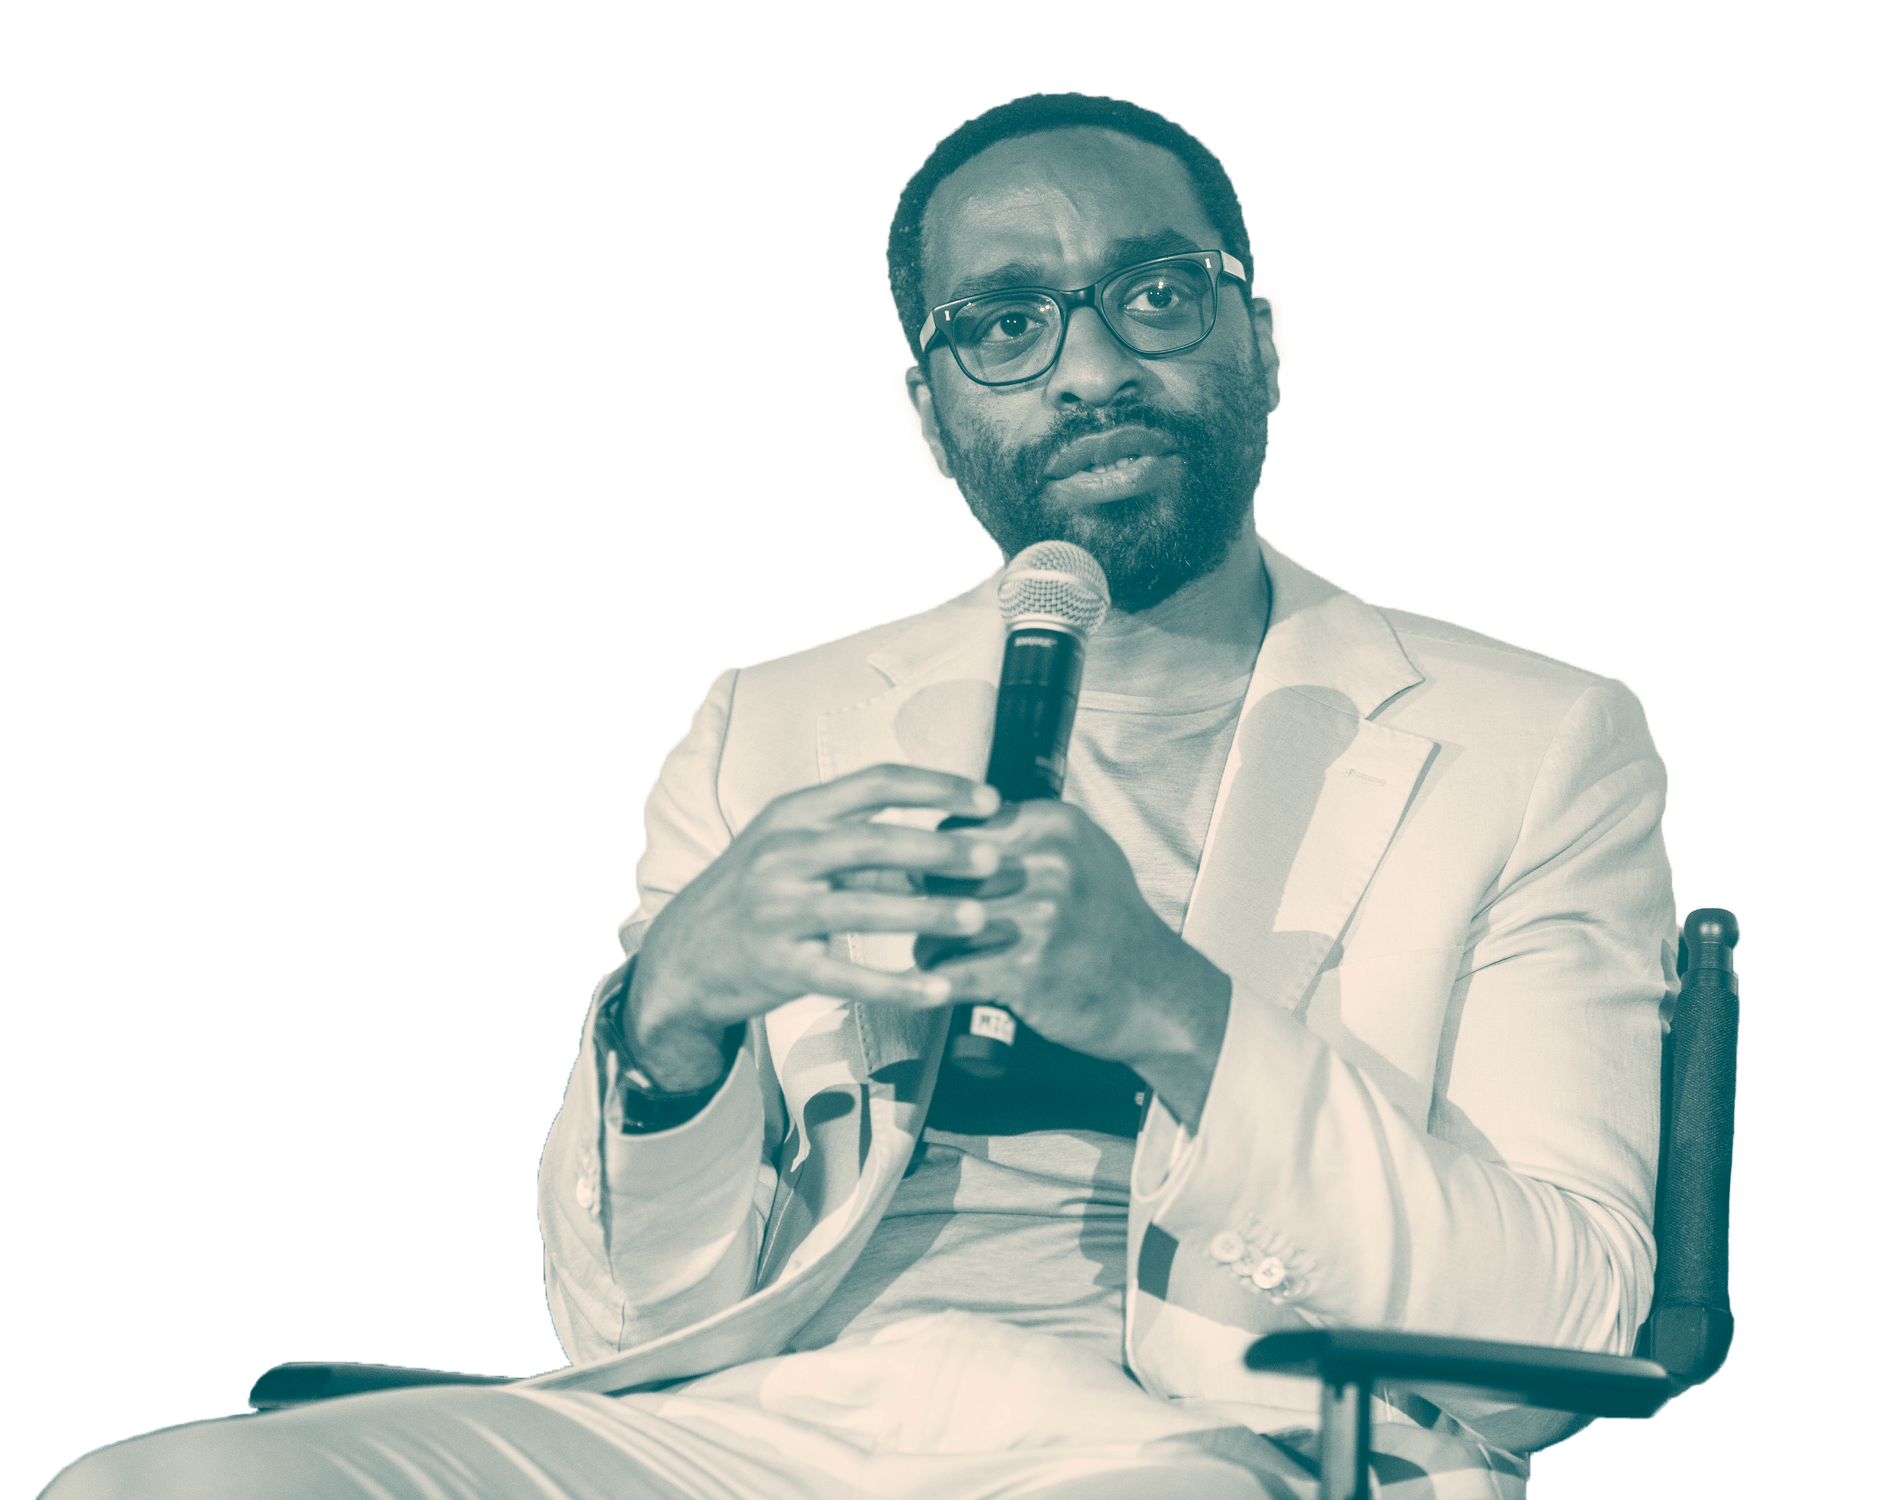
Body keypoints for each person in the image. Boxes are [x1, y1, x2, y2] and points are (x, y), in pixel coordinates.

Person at [47, 91, 1675, 1500]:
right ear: (924, 415)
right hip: (779, 1428)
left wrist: (1169, 1009)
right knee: (160, 1484)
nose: (1089, 367)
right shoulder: (774, 722)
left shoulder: (1532, 739)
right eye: (1004, 325)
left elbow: (1558, 1339)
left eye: (1154, 296)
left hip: (1206, 1440)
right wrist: (668, 1025)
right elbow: (630, 1320)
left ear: (1265, 336)